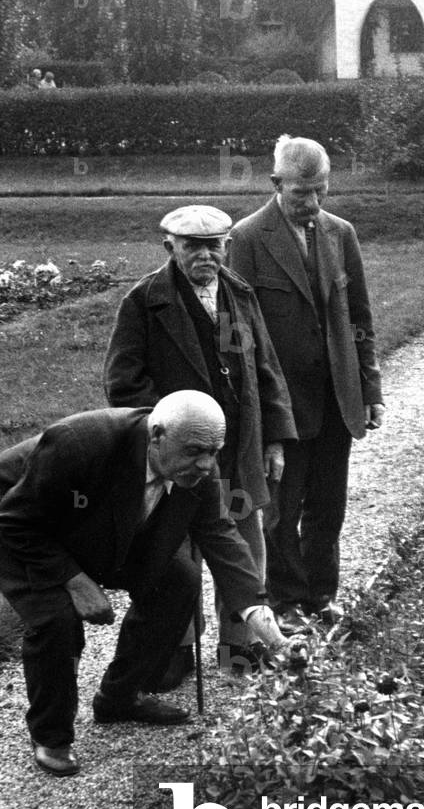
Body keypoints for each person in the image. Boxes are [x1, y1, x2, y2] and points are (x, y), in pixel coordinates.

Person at [0, 392, 301, 778]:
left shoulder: (196, 467)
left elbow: (221, 538)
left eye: (214, 451)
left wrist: (271, 632)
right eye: (195, 450)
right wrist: (74, 580)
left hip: (99, 518)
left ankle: (119, 697)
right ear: (156, 435)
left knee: (179, 580)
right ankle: (51, 735)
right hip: (15, 515)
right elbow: (16, 518)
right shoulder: (80, 442)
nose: (207, 464)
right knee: (56, 618)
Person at [104, 205, 297, 681]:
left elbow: (266, 370)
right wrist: (174, 431)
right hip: (182, 457)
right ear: (169, 246)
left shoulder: (240, 294)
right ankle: (176, 648)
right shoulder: (145, 301)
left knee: (244, 546)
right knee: (181, 547)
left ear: (227, 245)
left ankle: (239, 647)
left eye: (215, 245)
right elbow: (123, 384)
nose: (205, 255)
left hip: (239, 447)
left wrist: (275, 438)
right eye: (193, 246)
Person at [228, 135, 385, 631]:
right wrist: (260, 411)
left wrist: (370, 389)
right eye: (301, 193)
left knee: (328, 506)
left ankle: (322, 594)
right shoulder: (248, 239)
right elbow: (240, 333)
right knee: (281, 508)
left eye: (321, 191)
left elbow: (360, 318)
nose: (312, 204)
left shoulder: (341, 234)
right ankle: (286, 600)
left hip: (338, 398)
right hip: (284, 405)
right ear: (276, 184)